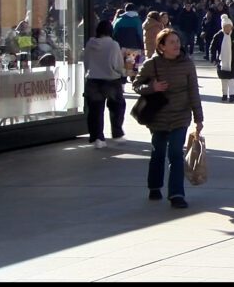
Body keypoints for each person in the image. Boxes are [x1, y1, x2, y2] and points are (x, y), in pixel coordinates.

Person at [132, 29, 203, 209]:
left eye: (177, 41)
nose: (176, 45)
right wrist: (152, 87)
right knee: (158, 152)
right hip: (158, 116)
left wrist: (198, 117)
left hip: (181, 115)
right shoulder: (152, 64)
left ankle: (176, 194)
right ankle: (155, 186)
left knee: (175, 153)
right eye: (171, 42)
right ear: (161, 46)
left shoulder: (187, 64)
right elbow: (136, 85)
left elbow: (193, 91)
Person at [83, 20, 132, 148]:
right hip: (111, 80)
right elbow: (117, 65)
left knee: (95, 111)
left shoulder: (90, 43)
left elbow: (86, 62)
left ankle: (97, 138)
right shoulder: (113, 45)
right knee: (117, 107)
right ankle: (117, 133)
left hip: (93, 79)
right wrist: (125, 71)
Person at [210, 14, 234, 103]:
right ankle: (224, 94)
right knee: (224, 78)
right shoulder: (218, 36)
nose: (227, 28)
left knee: (232, 78)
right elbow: (213, 48)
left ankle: (232, 95)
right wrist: (213, 58)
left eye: (229, 26)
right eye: (225, 27)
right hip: (222, 61)